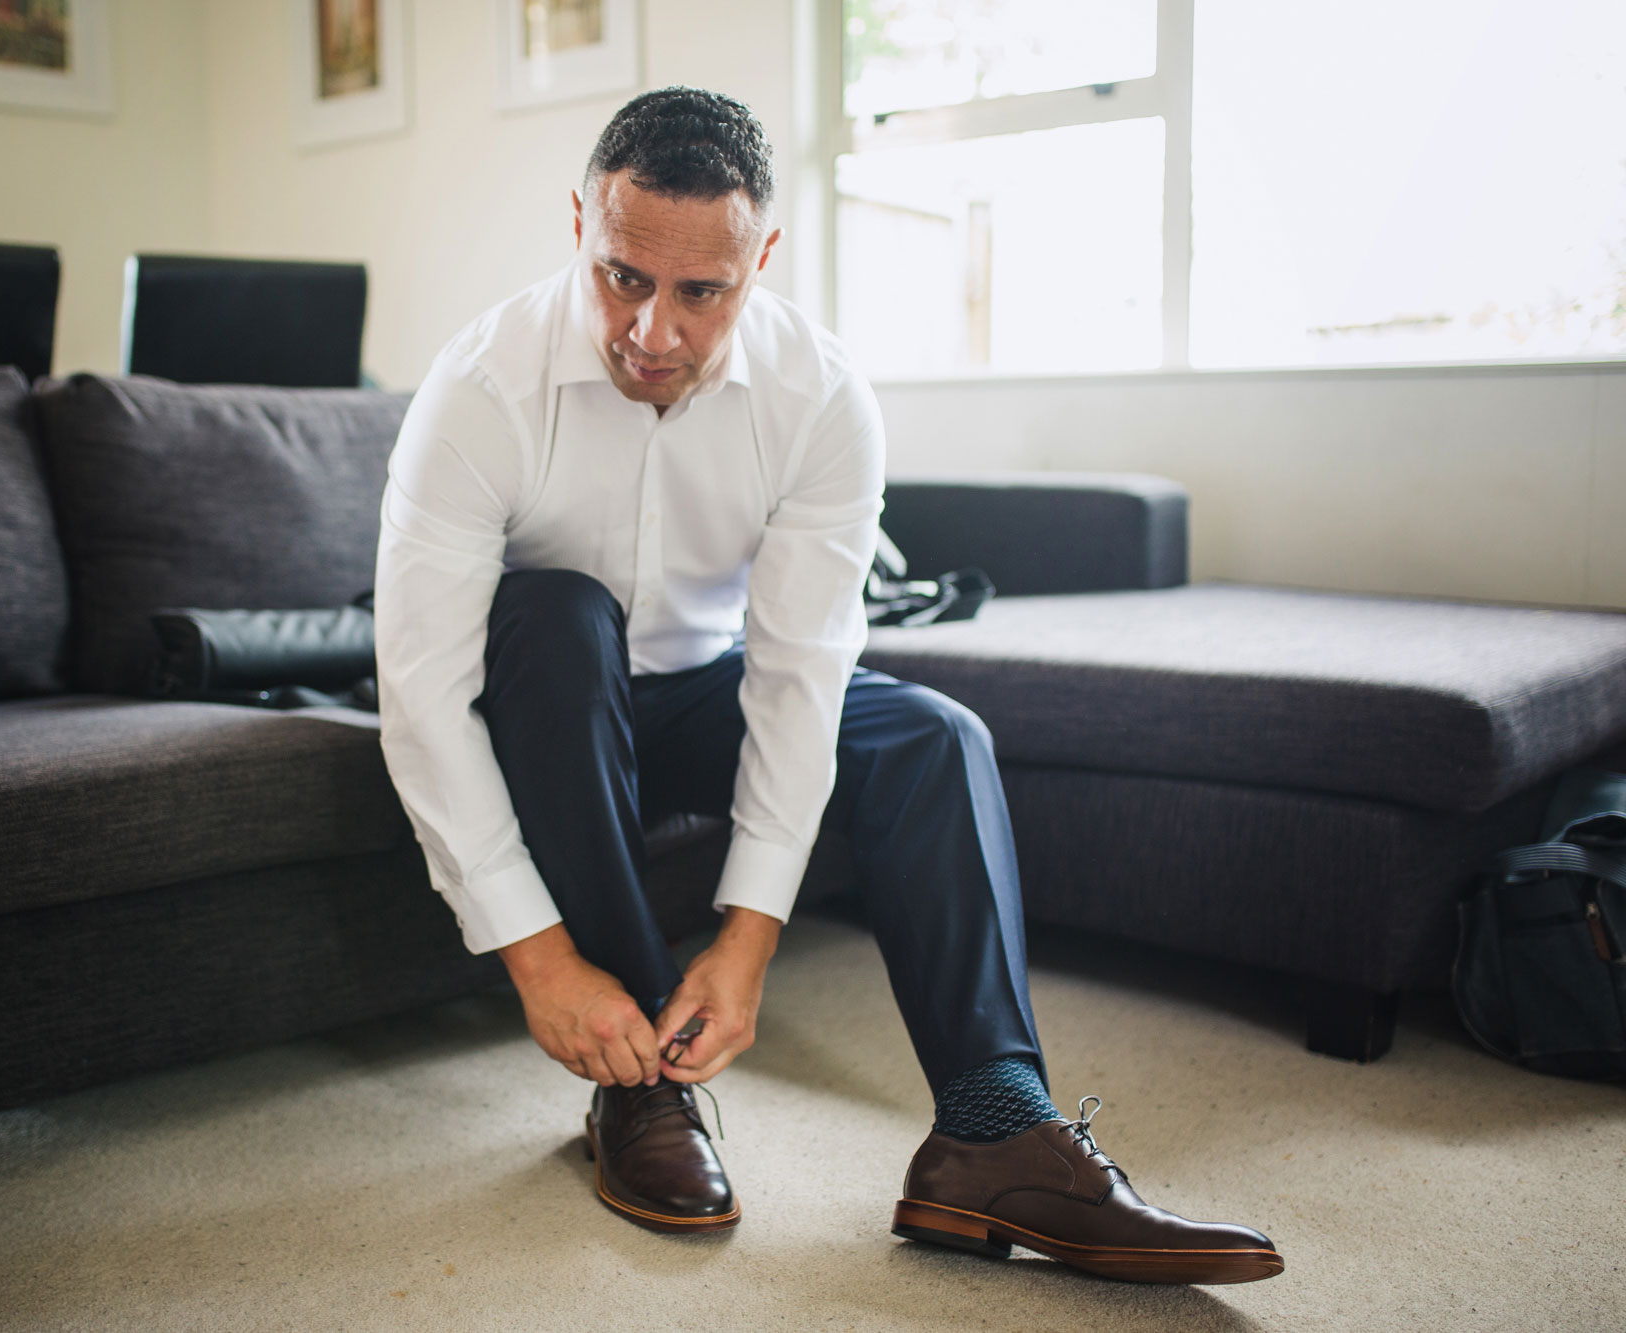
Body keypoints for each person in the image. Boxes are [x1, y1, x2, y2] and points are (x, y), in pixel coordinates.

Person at [373, 86, 1281, 1286]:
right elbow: (424, 692)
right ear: (579, 222)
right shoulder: (477, 388)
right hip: (540, 688)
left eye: (701, 292)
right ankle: (640, 1094)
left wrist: (748, 938)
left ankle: (991, 1128)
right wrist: (540, 959)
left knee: (932, 735)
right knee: (554, 611)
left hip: (699, 689)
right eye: (621, 276)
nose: (651, 331)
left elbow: (800, 671)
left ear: (761, 259)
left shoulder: (820, 397)